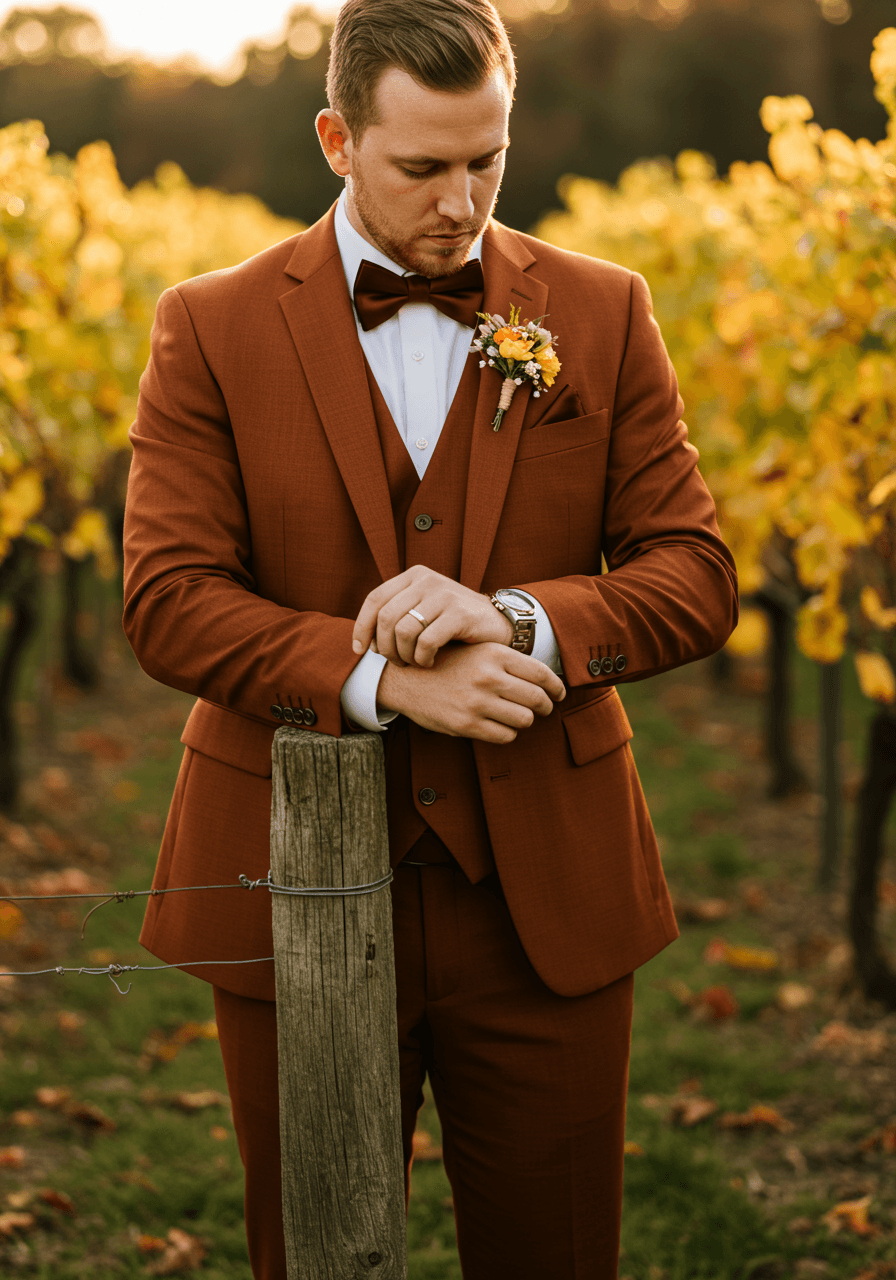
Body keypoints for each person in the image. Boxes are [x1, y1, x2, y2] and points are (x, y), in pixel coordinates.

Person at [122, 2, 738, 1276]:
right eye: (423, 167)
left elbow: (694, 573)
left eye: (488, 161)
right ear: (336, 138)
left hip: (546, 894)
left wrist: (523, 618)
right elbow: (168, 595)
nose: (463, 203)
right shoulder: (209, 322)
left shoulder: (601, 309)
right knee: (315, 1249)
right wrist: (384, 681)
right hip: (287, 874)